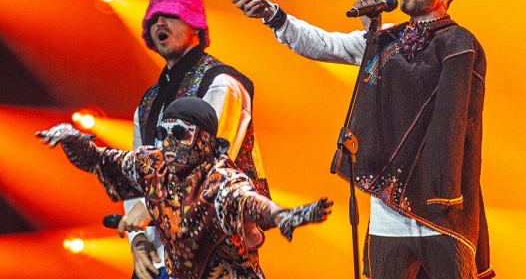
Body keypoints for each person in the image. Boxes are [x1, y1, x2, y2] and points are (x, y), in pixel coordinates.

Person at [235, 0, 494, 279]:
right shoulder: (387, 39)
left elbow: (452, 120)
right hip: (389, 213)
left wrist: (375, 36)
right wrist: (274, 16)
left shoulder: (458, 41)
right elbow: (325, 44)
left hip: (441, 209)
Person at [36, 97, 332, 279]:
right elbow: (99, 160)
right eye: (164, 133)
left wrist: (282, 217)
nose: (169, 142)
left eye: (179, 133)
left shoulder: (220, 179)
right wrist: (71, 140)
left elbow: (246, 200)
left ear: (204, 139)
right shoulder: (152, 165)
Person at [123, 0, 271, 279]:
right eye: (153, 19)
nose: (159, 22)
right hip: (162, 258)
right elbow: (137, 175)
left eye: (170, 14)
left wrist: (149, 207)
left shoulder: (222, 84)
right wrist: (138, 240)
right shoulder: (149, 101)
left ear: (195, 25)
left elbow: (210, 166)